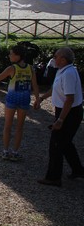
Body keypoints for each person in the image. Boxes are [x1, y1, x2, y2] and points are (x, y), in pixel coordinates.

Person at [0, 45, 39, 161]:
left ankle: (5, 151)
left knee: (8, 126)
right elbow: (35, 85)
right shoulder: (30, 68)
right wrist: (37, 99)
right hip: (25, 99)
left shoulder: (12, 68)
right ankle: (15, 152)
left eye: (11, 54)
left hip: (12, 99)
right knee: (20, 127)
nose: (9, 56)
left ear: (17, 56)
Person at [34, 47, 84, 187]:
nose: (54, 58)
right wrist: (42, 98)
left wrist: (60, 120)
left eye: (56, 56)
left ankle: (54, 177)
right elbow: (54, 89)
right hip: (66, 111)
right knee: (66, 143)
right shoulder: (63, 71)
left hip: (69, 113)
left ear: (63, 59)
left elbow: (69, 99)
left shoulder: (68, 73)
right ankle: (78, 170)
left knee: (56, 144)